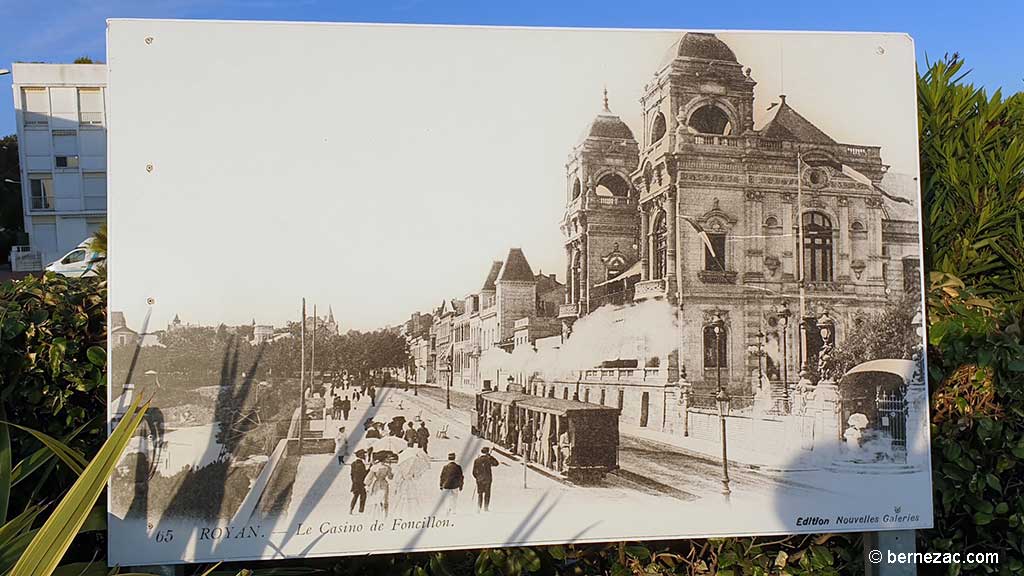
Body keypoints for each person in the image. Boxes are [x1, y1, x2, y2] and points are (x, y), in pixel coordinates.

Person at [366, 453, 395, 519]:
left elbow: (369, 478)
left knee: (376, 498)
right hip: (384, 483)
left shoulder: (374, 467)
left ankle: (375, 514)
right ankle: (385, 515)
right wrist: (391, 472)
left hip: (376, 483)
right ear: (384, 459)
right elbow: (390, 477)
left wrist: (368, 485)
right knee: (384, 499)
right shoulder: (387, 467)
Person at [472, 447, 499, 512]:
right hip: (488, 479)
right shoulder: (488, 459)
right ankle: (486, 508)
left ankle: (479, 508)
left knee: (480, 494)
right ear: (487, 452)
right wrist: (491, 457)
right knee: (487, 494)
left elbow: (473, 472)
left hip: (479, 479)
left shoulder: (476, 460)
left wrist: (477, 477)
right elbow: (496, 463)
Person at [349, 450, 368, 514]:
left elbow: (351, 474)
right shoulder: (361, 464)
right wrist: (370, 468)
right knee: (363, 495)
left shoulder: (353, 463)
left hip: (355, 483)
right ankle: (361, 510)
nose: (365, 456)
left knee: (355, 496)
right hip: (360, 483)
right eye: (363, 455)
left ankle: (351, 509)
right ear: (360, 455)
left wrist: (353, 482)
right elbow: (364, 474)